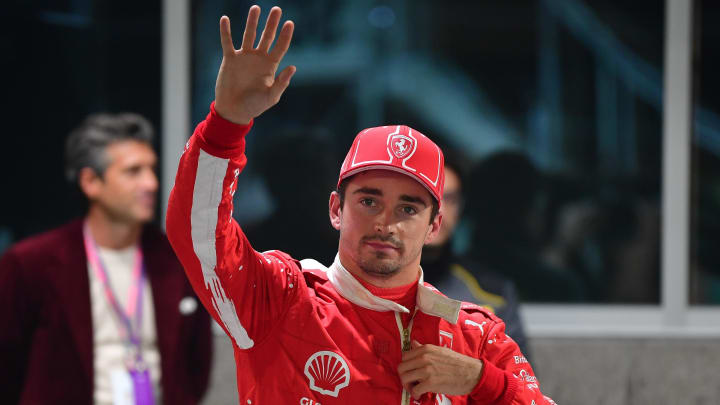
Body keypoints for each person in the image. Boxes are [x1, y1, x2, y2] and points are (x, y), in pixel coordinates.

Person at [167, 6, 554, 404]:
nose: (386, 222)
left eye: (408, 208)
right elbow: (197, 233)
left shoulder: (475, 335)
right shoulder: (280, 299)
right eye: (369, 200)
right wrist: (225, 124)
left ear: (435, 225)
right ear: (336, 209)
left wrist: (482, 382)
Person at [0, 113, 213, 404]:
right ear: (90, 181)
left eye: (151, 169)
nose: (150, 183)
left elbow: (195, 364)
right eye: (133, 171)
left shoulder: (176, 261)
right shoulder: (30, 264)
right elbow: (8, 368)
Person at [421, 152, 530, 357]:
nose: (439, 210)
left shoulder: (493, 292)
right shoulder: (373, 288)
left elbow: (521, 383)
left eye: (450, 198)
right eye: (428, 197)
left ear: (461, 207)